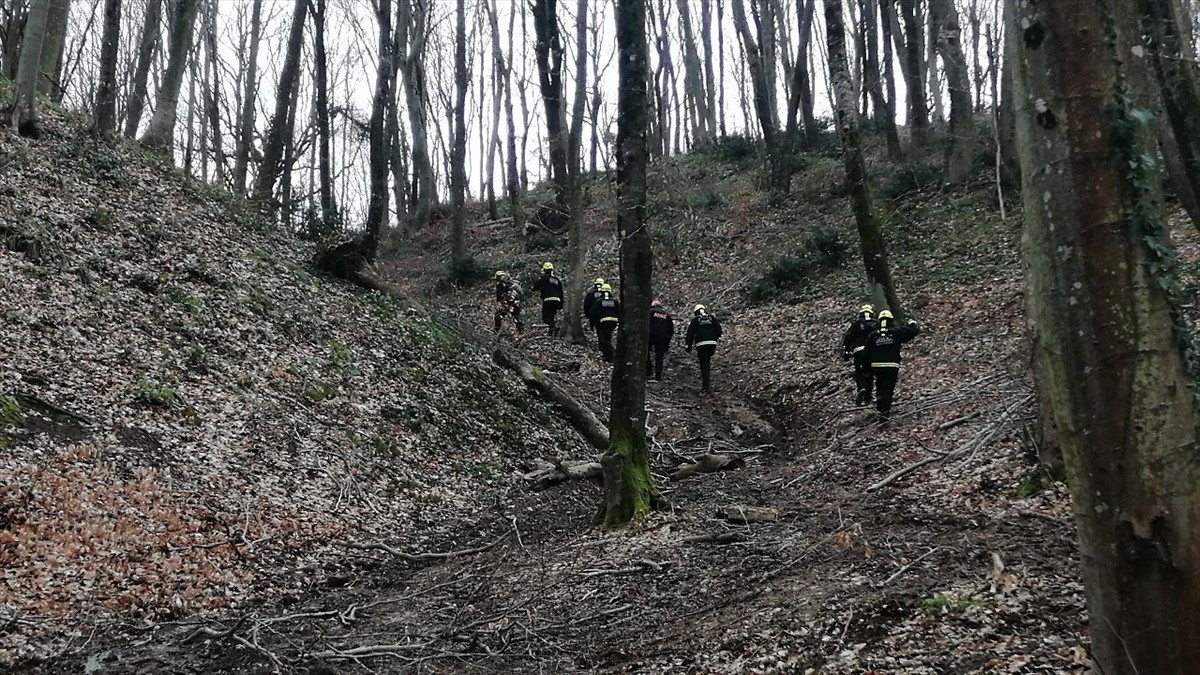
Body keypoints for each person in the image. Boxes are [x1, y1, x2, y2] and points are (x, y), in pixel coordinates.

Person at [865, 309, 921, 422]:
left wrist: (866, 369)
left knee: (880, 386)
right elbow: (913, 331)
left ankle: (880, 401)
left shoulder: (873, 335)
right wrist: (912, 323)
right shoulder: (896, 332)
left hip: (876, 367)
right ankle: (884, 414)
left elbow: (866, 354)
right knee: (888, 390)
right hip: (891, 366)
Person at [842, 304, 879, 406]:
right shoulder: (876, 323)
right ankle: (868, 397)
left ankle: (861, 388)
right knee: (870, 373)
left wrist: (846, 352)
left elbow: (848, 337)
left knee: (859, 372)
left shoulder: (856, 324)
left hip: (858, 351)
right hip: (872, 351)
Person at [685, 304, 722, 392]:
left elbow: (690, 333)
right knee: (707, 362)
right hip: (712, 344)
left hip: (701, 344)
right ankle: (707, 383)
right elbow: (719, 331)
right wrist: (714, 338)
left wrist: (688, 346)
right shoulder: (712, 318)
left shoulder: (696, 320)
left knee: (704, 364)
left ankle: (706, 385)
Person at [589, 283, 621, 362]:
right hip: (613, 322)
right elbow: (619, 312)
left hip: (602, 322)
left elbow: (593, 313)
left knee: (604, 340)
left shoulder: (598, 301)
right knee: (608, 337)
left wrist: (592, 324)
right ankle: (607, 356)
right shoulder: (614, 301)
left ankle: (612, 354)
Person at [532, 262, 564, 336]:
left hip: (548, 299)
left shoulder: (544, 279)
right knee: (551, 316)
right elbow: (561, 292)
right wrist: (561, 305)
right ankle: (551, 332)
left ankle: (554, 326)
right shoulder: (557, 280)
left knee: (545, 317)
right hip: (557, 300)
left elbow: (535, 287)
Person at [646, 299, 674, 381]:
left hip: (650, 335)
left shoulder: (650, 312)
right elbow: (670, 329)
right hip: (662, 337)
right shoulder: (666, 315)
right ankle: (658, 375)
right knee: (659, 356)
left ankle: (648, 370)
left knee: (646, 352)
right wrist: (667, 342)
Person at [493, 270, 524, 335]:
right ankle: (521, 332)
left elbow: (499, 297)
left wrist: (503, 304)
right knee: (516, 317)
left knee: (497, 316)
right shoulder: (512, 283)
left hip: (508, 303)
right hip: (516, 303)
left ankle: (496, 331)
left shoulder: (500, 285)